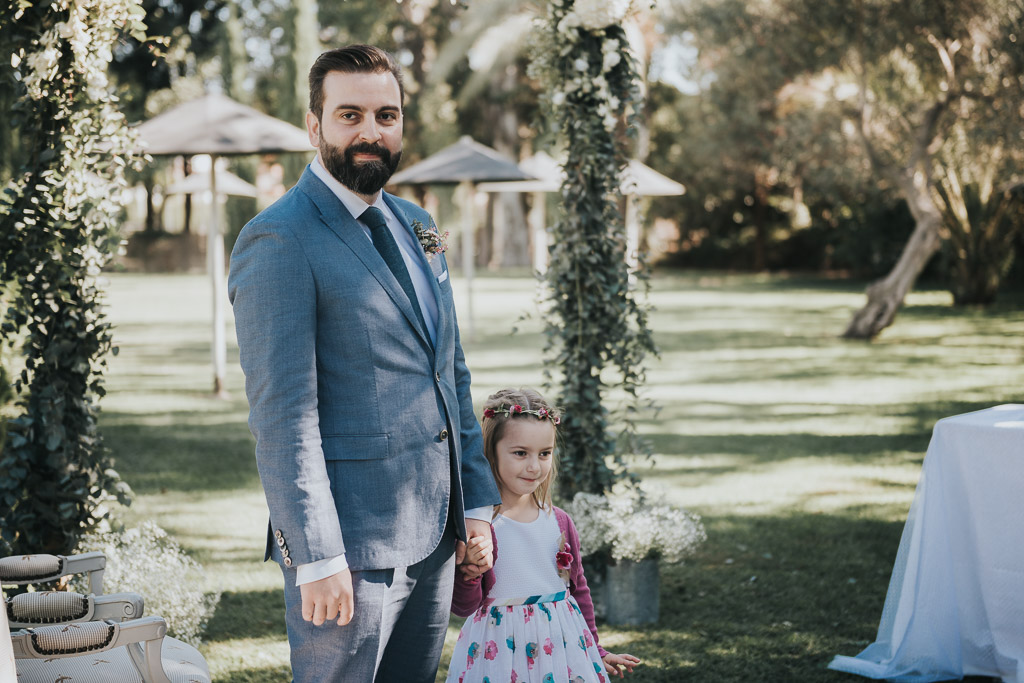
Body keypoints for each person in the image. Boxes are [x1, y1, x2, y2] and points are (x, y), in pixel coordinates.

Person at [228, 45, 500, 682]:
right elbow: (283, 416)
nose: (370, 132)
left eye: (386, 114)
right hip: (348, 548)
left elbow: (448, 372)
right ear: (314, 123)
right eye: (349, 114)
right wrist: (317, 556)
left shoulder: (416, 223)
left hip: (434, 534)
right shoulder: (279, 238)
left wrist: (476, 506)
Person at [448, 388, 642, 683]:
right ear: (490, 452)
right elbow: (463, 607)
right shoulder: (481, 525)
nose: (533, 466)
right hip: (499, 653)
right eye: (520, 453)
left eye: (544, 454)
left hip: (562, 650)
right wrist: (470, 573)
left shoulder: (559, 521)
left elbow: (578, 591)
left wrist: (596, 650)